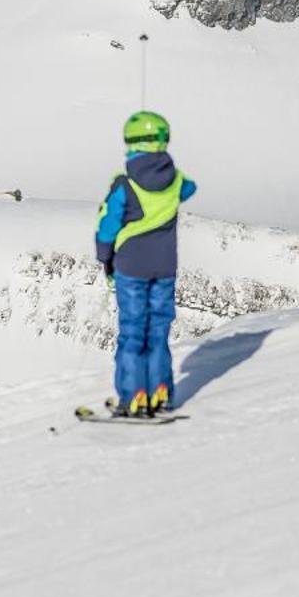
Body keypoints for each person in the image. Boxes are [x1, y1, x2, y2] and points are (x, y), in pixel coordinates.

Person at [94, 110, 197, 416]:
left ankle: (134, 396)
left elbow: (107, 226)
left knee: (133, 332)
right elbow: (190, 188)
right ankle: (161, 392)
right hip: (165, 268)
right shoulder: (176, 182)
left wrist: (105, 258)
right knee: (158, 331)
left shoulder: (125, 186)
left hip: (131, 267)